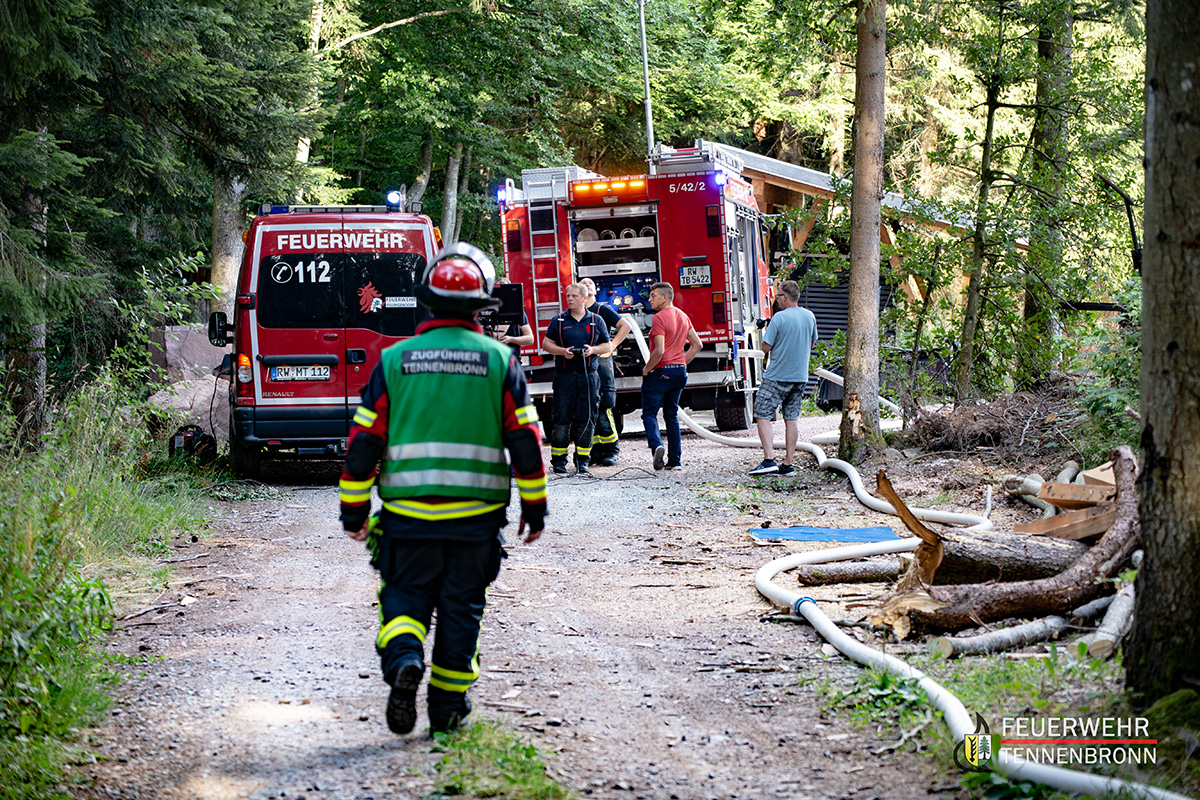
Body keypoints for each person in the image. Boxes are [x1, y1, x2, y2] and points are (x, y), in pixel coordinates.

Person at [338, 242, 547, 737]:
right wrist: (534, 508)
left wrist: (353, 512)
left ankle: (406, 658)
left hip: (407, 518)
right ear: (482, 306)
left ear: (426, 301)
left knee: (404, 600)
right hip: (475, 521)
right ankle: (447, 712)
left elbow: (364, 441)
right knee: (461, 612)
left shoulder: (394, 360)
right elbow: (525, 439)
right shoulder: (499, 359)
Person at [749, 279, 818, 476]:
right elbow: (812, 343)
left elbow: (765, 347)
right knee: (791, 418)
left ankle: (769, 460)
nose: (776, 299)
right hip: (800, 376)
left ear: (785, 297)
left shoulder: (779, 318)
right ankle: (788, 464)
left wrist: (768, 332)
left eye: (778, 295)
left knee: (762, 413)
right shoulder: (809, 316)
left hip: (777, 376)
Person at [542, 283, 611, 474]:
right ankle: (558, 463)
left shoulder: (596, 320)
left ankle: (582, 462)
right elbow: (546, 344)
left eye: (573, 296)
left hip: (589, 376)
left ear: (583, 298)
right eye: (568, 296)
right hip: (564, 377)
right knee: (561, 419)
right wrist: (563, 351)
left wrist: (593, 350)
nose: (569, 299)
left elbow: (607, 345)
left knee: (587, 419)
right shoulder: (559, 320)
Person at [641, 282, 701, 471]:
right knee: (671, 416)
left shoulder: (659, 318)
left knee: (649, 413)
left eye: (653, 295)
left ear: (664, 297)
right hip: (679, 373)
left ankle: (656, 444)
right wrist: (682, 362)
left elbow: (659, 351)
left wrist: (646, 369)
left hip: (661, 372)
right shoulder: (683, 316)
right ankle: (675, 461)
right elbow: (697, 344)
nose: (650, 299)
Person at [579, 278, 632, 466]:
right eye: (583, 282)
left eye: (590, 283)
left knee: (605, 406)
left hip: (601, 364)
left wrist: (611, 347)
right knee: (588, 409)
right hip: (584, 367)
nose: (587, 284)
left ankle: (612, 450)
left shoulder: (602, 310)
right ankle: (595, 452)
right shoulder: (576, 314)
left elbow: (626, 326)